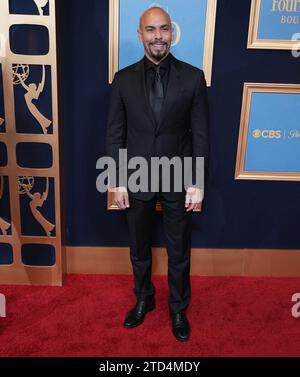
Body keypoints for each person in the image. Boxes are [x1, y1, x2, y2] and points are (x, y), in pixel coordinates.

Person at [106, 6, 209, 341]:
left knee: (179, 250)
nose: (158, 37)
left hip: (178, 176)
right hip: (135, 176)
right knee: (138, 248)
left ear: (172, 33)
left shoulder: (194, 77)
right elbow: (114, 133)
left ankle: (178, 307)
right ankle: (144, 300)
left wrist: (196, 181)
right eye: (150, 30)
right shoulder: (122, 79)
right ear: (140, 35)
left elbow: (201, 133)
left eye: (164, 29)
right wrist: (116, 178)